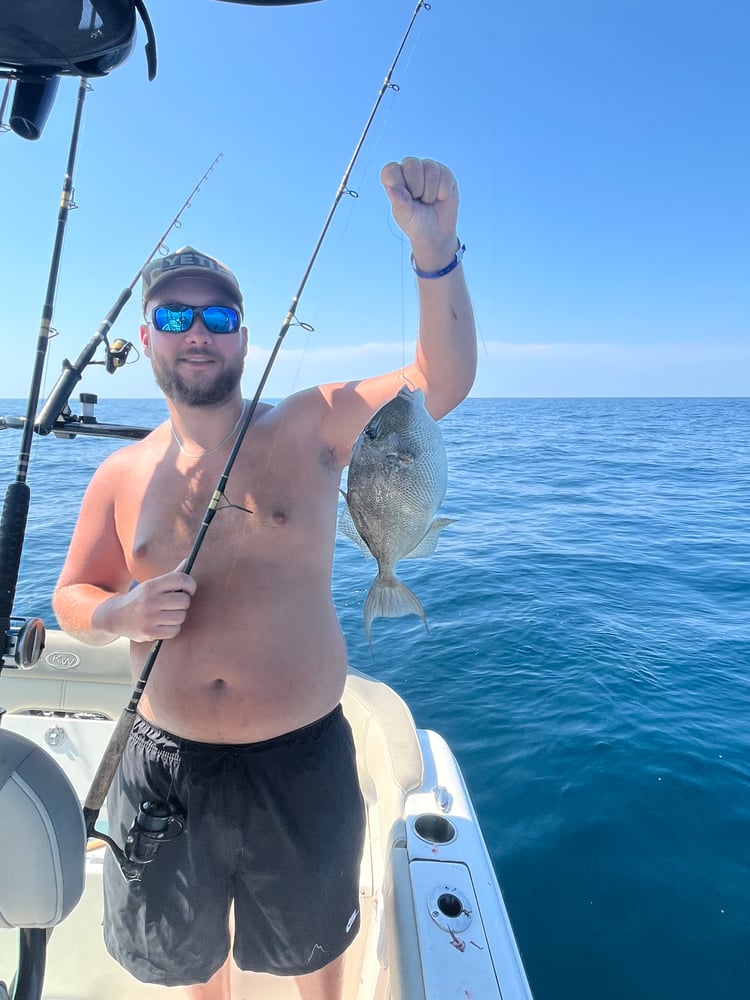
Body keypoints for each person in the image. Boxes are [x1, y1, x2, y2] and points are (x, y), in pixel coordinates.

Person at [52, 156, 477, 1000]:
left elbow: (441, 382)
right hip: (164, 763)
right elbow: (72, 597)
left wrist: (434, 249)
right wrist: (121, 611)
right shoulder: (119, 476)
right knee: (189, 965)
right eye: (175, 314)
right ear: (148, 339)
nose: (198, 330)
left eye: (218, 314)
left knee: (312, 957)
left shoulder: (309, 426)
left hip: (300, 758)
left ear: (244, 336)